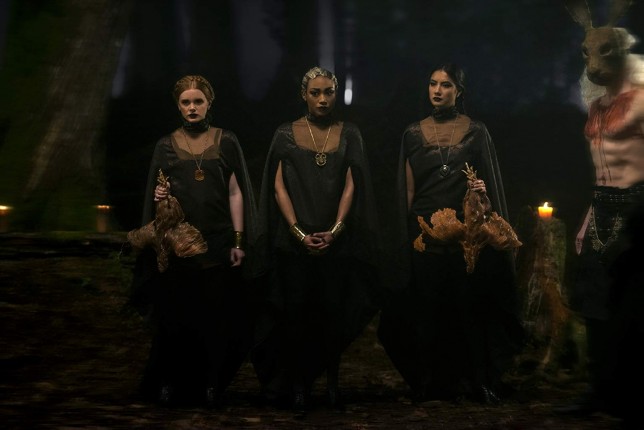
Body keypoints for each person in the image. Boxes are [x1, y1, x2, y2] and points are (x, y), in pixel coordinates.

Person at [377, 63, 524, 405]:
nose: (437, 90)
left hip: (466, 237)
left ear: (459, 91)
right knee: (427, 311)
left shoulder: (476, 131)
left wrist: (482, 191)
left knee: (470, 310)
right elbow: (408, 189)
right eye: (433, 84)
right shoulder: (412, 133)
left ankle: (479, 381)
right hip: (425, 234)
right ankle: (429, 382)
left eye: (445, 85)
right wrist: (405, 234)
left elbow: (489, 186)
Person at [251, 66, 381, 412]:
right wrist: (298, 232)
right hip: (293, 244)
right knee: (295, 316)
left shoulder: (349, 133)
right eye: (315, 93)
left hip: (336, 243)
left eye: (328, 92)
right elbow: (278, 186)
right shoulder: (285, 133)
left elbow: (352, 183)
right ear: (304, 95)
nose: (323, 99)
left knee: (332, 316)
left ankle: (332, 386)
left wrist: (335, 231)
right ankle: (297, 386)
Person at [131, 75, 261, 408]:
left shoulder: (226, 140)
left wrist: (238, 240)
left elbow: (235, 192)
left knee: (214, 318)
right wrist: (160, 196)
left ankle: (210, 385)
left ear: (208, 103)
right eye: (186, 102)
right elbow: (158, 193)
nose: (192, 107)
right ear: (178, 106)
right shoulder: (166, 144)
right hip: (180, 244)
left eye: (198, 101)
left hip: (217, 242)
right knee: (176, 317)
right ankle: (168, 384)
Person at [561, 2, 644, 417]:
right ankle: (599, 390)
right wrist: (588, 218)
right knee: (594, 303)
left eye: (605, 51)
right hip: (603, 209)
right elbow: (600, 172)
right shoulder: (597, 107)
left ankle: (629, 393)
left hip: (636, 211)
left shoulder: (642, 100)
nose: (594, 62)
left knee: (630, 305)